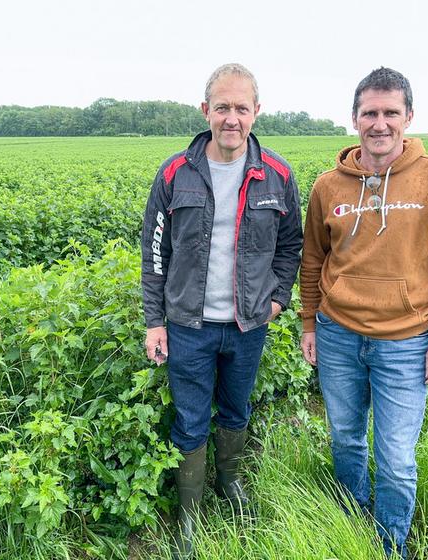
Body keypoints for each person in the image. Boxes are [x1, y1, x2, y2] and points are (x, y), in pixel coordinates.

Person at [298, 67, 428, 559]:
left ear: (409, 117)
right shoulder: (328, 187)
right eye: (370, 113)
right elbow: (313, 260)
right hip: (337, 336)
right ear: (354, 119)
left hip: (406, 339)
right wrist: (309, 322)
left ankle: (390, 544)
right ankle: (354, 524)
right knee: (346, 438)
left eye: (390, 113)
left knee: (396, 458)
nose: (380, 123)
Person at [141, 63, 302, 557]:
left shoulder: (277, 174)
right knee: (190, 419)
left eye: (242, 107)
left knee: (235, 409)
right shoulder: (174, 172)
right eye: (222, 106)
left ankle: (229, 485)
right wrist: (153, 321)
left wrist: (277, 300)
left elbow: (291, 245)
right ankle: (189, 516)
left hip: (248, 324)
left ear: (257, 112)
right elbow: (153, 251)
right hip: (188, 324)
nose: (232, 117)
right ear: (205, 109)